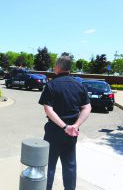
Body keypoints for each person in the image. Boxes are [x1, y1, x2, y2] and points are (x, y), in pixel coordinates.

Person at [38, 56, 91, 190]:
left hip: (54, 131)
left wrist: (64, 126)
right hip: (72, 133)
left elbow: (48, 109)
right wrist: (75, 125)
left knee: (50, 164)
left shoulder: (51, 85)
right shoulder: (79, 85)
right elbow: (87, 107)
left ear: (58, 67)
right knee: (70, 164)